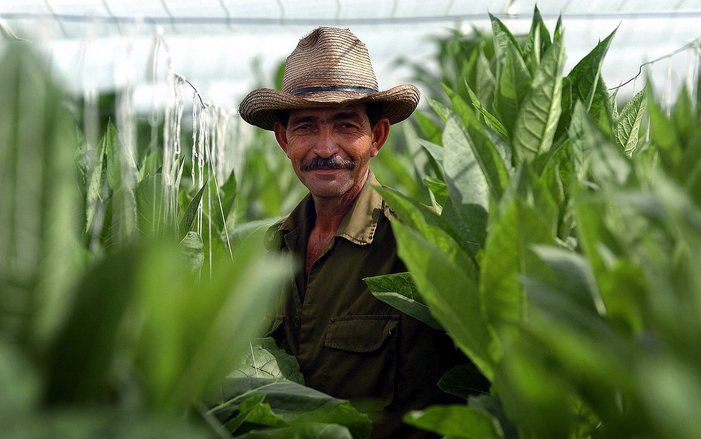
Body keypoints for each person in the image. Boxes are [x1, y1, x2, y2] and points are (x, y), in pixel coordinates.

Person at [238, 27, 487, 438]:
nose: (324, 148)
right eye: (305, 127)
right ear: (284, 140)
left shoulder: (424, 240)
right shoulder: (267, 251)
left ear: (378, 137)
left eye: (345, 126)